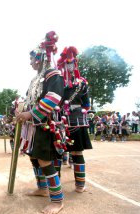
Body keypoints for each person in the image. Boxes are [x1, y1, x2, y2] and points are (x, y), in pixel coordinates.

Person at [17, 31, 65, 214]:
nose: (30, 62)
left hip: (45, 124)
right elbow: (30, 99)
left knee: (45, 160)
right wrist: (21, 111)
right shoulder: (36, 78)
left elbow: (54, 98)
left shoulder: (53, 74)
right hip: (34, 127)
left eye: (32, 59)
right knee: (34, 157)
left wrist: (31, 113)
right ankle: (42, 188)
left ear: (40, 58)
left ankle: (57, 200)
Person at [57, 46, 92, 193]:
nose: (70, 66)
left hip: (77, 120)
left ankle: (80, 185)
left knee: (77, 152)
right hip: (59, 120)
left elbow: (86, 104)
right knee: (57, 152)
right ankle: (55, 186)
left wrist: (84, 110)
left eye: (72, 63)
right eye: (67, 63)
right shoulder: (57, 81)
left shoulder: (82, 83)